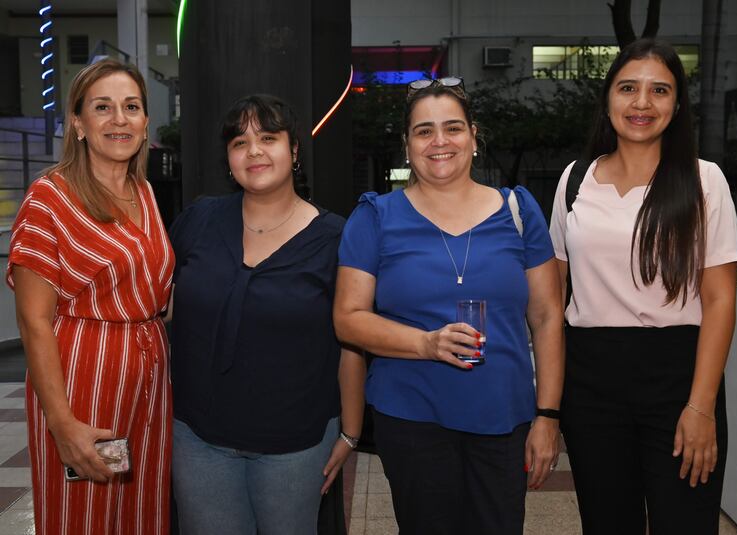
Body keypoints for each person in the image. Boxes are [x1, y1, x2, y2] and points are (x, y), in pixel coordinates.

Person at [333, 77, 564, 535]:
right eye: (424, 131)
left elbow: (547, 316)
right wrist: (425, 343)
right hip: (412, 419)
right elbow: (348, 319)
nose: (440, 141)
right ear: (406, 145)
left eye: (453, 128)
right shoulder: (375, 217)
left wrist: (548, 417)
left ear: (474, 137)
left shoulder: (519, 211)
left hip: (503, 419)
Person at [549, 38, 737, 535]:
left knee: (686, 523)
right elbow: (552, 294)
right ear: (608, 98)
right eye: (628, 88)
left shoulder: (704, 181)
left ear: (677, 106)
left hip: (679, 378)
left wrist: (701, 405)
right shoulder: (574, 181)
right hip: (590, 381)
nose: (641, 103)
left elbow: (720, 301)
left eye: (659, 91)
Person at [168, 94, 365, 535]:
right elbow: (157, 306)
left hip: (295, 443)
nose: (254, 150)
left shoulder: (337, 237)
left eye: (268, 138)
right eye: (240, 142)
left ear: (294, 150)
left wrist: (351, 432)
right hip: (198, 437)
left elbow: (352, 342)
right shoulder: (198, 221)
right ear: (228, 157)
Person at [7, 59, 173, 534]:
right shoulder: (49, 197)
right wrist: (61, 423)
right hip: (85, 379)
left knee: (144, 513)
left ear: (145, 124)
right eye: (103, 107)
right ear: (78, 123)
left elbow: (153, 289)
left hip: (151, 380)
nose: (119, 119)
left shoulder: (144, 192)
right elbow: (34, 321)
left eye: (131, 107)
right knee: (83, 517)